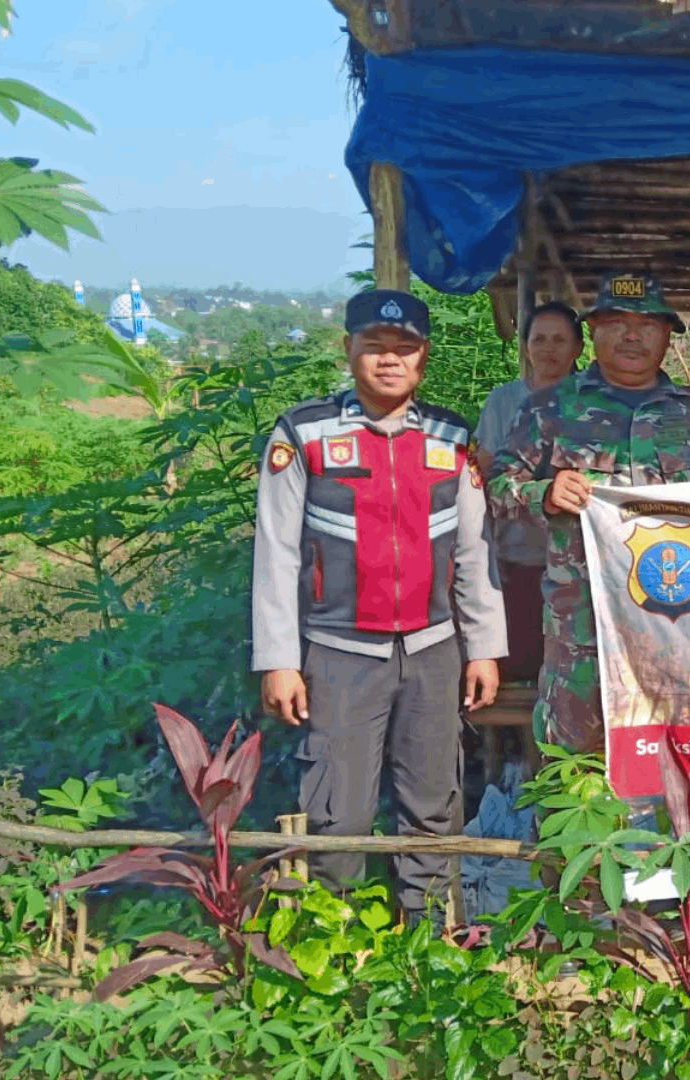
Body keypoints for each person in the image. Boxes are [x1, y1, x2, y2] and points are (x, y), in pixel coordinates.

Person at [252, 289, 507, 924]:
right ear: (349, 350)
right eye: (374, 347)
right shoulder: (303, 433)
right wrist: (279, 659)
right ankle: (333, 943)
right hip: (339, 653)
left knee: (433, 803)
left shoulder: (451, 436)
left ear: (423, 357)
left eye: (404, 349)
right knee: (341, 809)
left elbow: (474, 549)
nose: (389, 360)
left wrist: (485, 648)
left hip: (433, 650)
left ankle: (429, 940)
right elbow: (277, 551)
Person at [487, 271, 690, 754]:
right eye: (616, 322)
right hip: (581, 631)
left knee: (676, 762)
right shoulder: (549, 408)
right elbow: (494, 489)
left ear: (667, 335)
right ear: (592, 333)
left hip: (675, 628)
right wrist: (544, 495)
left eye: (647, 324)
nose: (632, 335)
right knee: (572, 771)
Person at [473, 301, 584, 684]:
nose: (548, 349)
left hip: (581, 565)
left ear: (578, 349)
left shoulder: (593, 403)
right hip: (517, 555)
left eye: (559, 340)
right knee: (520, 666)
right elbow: (484, 475)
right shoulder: (503, 401)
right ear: (525, 347)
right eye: (539, 339)